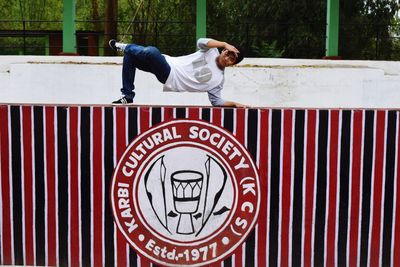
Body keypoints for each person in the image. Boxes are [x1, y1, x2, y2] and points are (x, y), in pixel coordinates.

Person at [109, 38, 247, 107]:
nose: (227, 58)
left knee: (151, 52)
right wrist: (223, 43)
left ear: (233, 64)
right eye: (228, 53)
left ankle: (123, 46)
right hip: (166, 62)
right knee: (130, 57)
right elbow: (200, 41)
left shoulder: (218, 81)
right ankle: (127, 95)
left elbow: (216, 101)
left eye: (231, 59)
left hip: (171, 77)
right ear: (224, 50)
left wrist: (234, 104)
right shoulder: (210, 50)